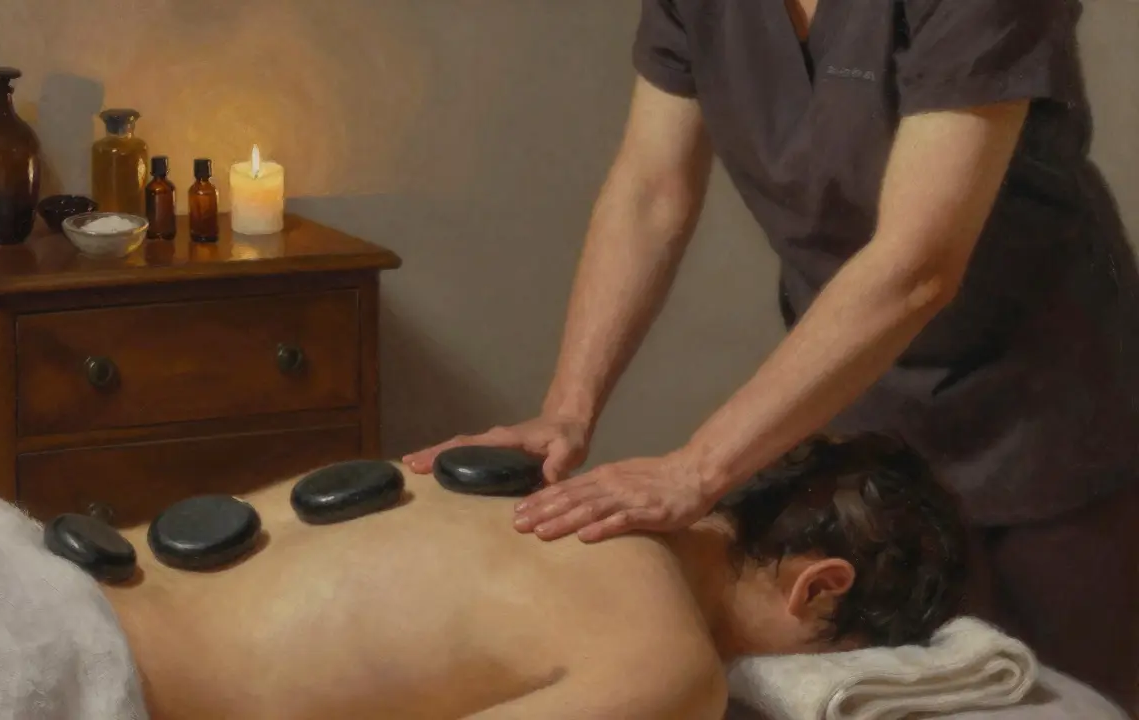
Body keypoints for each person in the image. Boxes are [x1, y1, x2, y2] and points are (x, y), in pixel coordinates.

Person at [405, 0, 1139, 711]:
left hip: (1047, 411)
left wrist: (698, 468)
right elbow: (650, 193)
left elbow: (917, 266)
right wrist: (567, 410)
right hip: (856, 397)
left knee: (1063, 695)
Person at [79, 433, 963, 719]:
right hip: (59, 684)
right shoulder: (666, 659)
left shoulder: (524, 480)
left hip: (10, 561)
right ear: (819, 588)